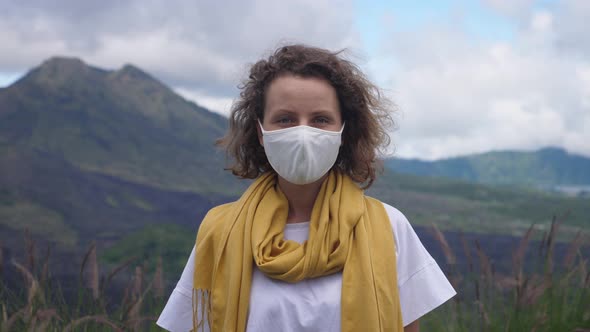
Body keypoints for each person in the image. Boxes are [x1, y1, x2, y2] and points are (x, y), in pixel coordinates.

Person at [157, 44, 456, 332]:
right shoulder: (219, 233)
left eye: (320, 120)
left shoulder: (389, 226)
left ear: (343, 131)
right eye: (285, 119)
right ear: (261, 132)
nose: (302, 132)